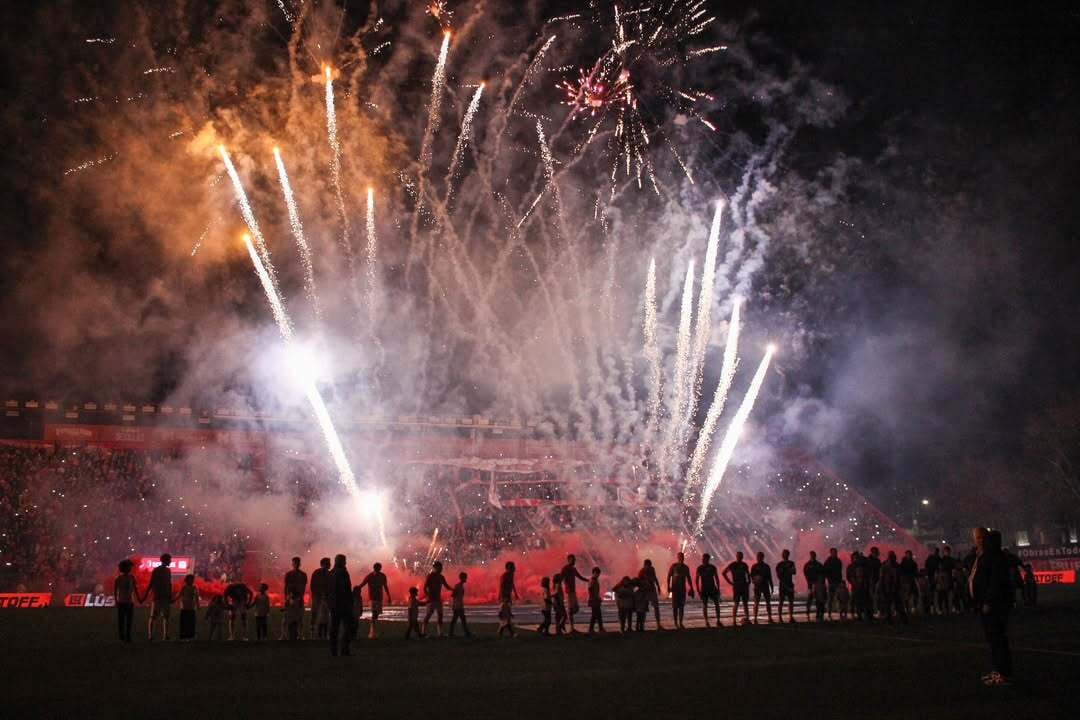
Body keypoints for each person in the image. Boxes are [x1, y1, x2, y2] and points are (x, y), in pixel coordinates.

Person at [972, 528, 1014, 685]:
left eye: (980, 538)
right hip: (987, 604)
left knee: (997, 639)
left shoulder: (994, 557)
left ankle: (1003, 673)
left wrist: (988, 602)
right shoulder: (985, 556)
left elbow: (994, 582)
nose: (978, 541)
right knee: (993, 640)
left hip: (993, 606)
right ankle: (998, 671)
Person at [139, 553, 174, 641]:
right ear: (165, 560)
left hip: (163, 596)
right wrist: (146, 595)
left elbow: (169, 584)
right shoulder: (157, 570)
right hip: (159, 596)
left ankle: (164, 635)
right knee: (156, 616)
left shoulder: (167, 570)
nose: (170, 561)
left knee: (163, 617)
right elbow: (152, 583)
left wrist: (170, 595)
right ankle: (152, 636)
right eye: (169, 559)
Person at [327, 554, 355, 656]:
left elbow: (328, 590)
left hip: (333, 604)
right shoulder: (342, 572)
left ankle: (333, 651)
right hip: (343, 604)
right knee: (348, 627)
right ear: (342, 561)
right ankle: (344, 649)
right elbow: (345, 589)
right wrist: (350, 601)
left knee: (334, 628)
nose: (346, 562)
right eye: (344, 560)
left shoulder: (331, 573)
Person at [358, 562, 391, 638]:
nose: (379, 569)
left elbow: (385, 586)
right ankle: (372, 632)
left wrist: (389, 596)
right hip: (372, 598)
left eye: (379, 568)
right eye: (378, 568)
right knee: (374, 613)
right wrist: (357, 589)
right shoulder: (370, 576)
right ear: (374, 568)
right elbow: (363, 583)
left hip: (379, 598)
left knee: (376, 614)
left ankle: (372, 628)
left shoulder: (382, 576)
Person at [422, 560, 453, 637]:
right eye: (440, 567)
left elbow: (446, 586)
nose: (441, 569)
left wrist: (453, 589)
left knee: (440, 615)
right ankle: (423, 632)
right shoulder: (430, 576)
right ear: (435, 568)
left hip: (438, 599)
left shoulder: (441, 577)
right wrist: (428, 596)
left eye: (441, 567)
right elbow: (424, 588)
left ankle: (440, 633)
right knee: (429, 615)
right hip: (431, 599)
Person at [560, 554, 589, 632]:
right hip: (569, 591)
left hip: (572, 591)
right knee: (571, 608)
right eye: (573, 559)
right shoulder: (565, 568)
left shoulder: (573, 569)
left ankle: (564, 622)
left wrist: (587, 580)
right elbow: (561, 578)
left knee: (575, 608)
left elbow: (579, 576)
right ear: (569, 560)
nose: (574, 561)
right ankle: (570, 627)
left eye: (574, 559)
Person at [667, 552, 694, 629]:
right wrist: (668, 586)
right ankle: (676, 622)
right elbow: (669, 576)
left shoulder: (686, 567)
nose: (681, 558)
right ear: (678, 557)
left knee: (681, 606)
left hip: (682, 589)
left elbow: (688, 578)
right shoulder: (673, 566)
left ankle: (680, 623)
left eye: (682, 557)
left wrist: (691, 587)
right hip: (675, 589)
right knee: (675, 607)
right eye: (680, 557)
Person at [723, 551, 752, 625]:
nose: (740, 557)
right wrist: (730, 582)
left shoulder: (744, 565)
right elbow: (724, 572)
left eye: (741, 556)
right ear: (736, 556)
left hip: (743, 586)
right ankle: (734, 620)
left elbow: (748, 574)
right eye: (738, 556)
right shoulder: (733, 565)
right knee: (736, 603)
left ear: (742, 557)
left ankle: (747, 618)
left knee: (745, 603)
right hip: (737, 586)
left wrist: (748, 581)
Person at [879, 551, 907, 624]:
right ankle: (900, 619)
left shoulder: (887, 565)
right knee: (893, 604)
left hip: (892, 587)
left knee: (892, 604)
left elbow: (882, 578)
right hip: (890, 587)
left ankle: (893, 619)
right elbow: (882, 577)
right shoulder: (892, 566)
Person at [695, 553, 722, 628]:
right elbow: (696, 580)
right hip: (704, 589)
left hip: (712, 588)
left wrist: (718, 588)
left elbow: (716, 578)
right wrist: (698, 590)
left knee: (716, 604)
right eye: (703, 558)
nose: (703, 560)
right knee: (705, 605)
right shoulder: (700, 568)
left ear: (708, 559)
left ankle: (718, 620)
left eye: (705, 559)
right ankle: (707, 621)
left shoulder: (712, 567)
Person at [283, 556, 307, 638]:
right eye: (294, 563)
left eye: (297, 563)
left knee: (299, 617)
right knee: (287, 617)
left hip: (298, 597)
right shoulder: (289, 574)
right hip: (290, 597)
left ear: (299, 564)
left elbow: (303, 588)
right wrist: (286, 598)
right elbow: (286, 587)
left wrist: (301, 598)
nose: (295, 564)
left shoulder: (303, 575)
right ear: (292, 564)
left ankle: (300, 634)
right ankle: (284, 634)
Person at [113, 559, 136, 643]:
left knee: (128, 620)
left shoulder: (132, 577)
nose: (131, 568)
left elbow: (135, 589)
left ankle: (127, 635)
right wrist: (116, 600)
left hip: (129, 602)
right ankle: (122, 636)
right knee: (122, 620)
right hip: (122, 602)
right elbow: (115, 591)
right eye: (129, 567)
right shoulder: (118, 578)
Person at [749, 551, 774, 624]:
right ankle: (755, 618)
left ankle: (770, 617)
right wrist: (755, 581)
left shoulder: (766, 566)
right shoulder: (754, 566)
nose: (758, 558)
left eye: (760, 556)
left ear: (762, 557)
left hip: (765, 586)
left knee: (768, 602)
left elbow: (770, 577)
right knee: (756, 602)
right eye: (757, 556)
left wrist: (771, 586)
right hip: (757, 587)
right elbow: (752, 576)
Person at [309, 557, 331, 638]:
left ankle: (320, 632)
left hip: (323, 597)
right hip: (318, 597)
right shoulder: (318, 573)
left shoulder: (328, 573)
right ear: (324, 564)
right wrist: (317, 594)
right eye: (328, 563)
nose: (330, 564)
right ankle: (313, 631)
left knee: (323, 614)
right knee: (315, 613)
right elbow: (313, 585)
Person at [638, 559, 663, 629]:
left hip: (651, 589)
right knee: (644, 608)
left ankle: (657, 624)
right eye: (648, 565)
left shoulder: (651, 569)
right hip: (646, 590)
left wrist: (658, 586)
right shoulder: (642, 571)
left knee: (654, 607)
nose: (648, 567)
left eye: (649, 565)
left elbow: (655, 578)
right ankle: (642, 625)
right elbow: (639, 580)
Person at [498, 562, 519, 638]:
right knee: (507, 616)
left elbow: (512, 584)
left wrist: (515, 593)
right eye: (513, 567)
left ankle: (500, 631)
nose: (514, 568)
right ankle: (512, 633)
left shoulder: (511, 575)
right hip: (505, 597)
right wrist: (503, 597)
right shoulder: (504, 575)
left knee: (507, 615)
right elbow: (502, 586)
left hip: (508, 597)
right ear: (508, 568)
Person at [775, 549, 796, 624]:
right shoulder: (779, 564)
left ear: (788, 555)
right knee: (781, 601)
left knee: (791, 601)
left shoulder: (791, 563)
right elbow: (779, 575)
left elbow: (794, 571)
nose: (784, 555)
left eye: (786, 554)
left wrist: (786, 570)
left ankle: (791, 616)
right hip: (783, 584)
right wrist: (788, 570)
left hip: (789, 583)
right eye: (783, 554)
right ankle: (780, 617)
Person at [802, 551, 824, 621]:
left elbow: (822, 574)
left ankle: (818, 613)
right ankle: (808, 612)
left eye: (814, 555)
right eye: (812, 555)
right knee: (810, 598)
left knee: (818, 599)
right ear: (810, 555)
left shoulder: (818, 564)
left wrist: (820, 582)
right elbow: (805, 574)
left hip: (817, 584)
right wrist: (809, 581)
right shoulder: (808, 565)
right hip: (810, 584)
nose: (813, 556)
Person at [823, 548, 844, 619]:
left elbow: (840, 572)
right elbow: (825, 572)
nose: (835, 553)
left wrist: (841, 581)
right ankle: (829, 612)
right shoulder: (828, 561)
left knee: (840, 598)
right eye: (833, 552)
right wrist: (829, 579)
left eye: (835, 552)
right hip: (832, 582)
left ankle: (840, 612)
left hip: (837, 582)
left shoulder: (838, 561)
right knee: (831, 598)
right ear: (831, 553)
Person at [178, 573, 200, 641]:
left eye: (192, 579)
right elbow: (179, 594)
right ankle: (183, 636)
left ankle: (190, 636)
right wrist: (173, 600)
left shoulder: (195, 587)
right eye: (191, 579)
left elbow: (196, 597)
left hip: (191, 607)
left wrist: (198, 605)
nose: (192, 581)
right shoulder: (184, 587)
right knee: (184, 622)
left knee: (191, 622)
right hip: (184, 607)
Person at [450, 571, 471, 638]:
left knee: (456, 619)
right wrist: (454, 604)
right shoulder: (458, 586)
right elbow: (453, 595)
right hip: (457, 605)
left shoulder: (460, 586)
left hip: (459, 605)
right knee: (462, 619)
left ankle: (451, 633)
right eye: (465, 578)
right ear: (462, 578)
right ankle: (466, 633)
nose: (466, 579)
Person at [899, 550, 919, 616]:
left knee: (913, 594)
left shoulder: (912, 563)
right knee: (907, 595)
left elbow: (915, 571)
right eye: (908, 554)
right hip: (906, 580)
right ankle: (907, 608)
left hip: (911, 579)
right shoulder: (904, 563)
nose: (909, 556)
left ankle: (912, 608)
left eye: (909, 554)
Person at [864, 547, 882, 617]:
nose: (876, 554)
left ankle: (872, 612)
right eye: (875, 552)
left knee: (873, 597)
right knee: (871, 597)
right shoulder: (871, 561)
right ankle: (871, 612)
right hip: (871, 581)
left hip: (874, 581)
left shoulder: (874, 560)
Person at [587, 566, 604, 633]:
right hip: (594, 600)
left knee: (597, 614)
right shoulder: (592, 580)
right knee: (595, 614)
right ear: (594, 572)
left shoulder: (595, 580)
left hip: (595, 599)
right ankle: (594, 629)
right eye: (597, 573)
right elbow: (590, 589)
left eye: (598, 573)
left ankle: (598, 628)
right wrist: (595, 598)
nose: (598, 575)